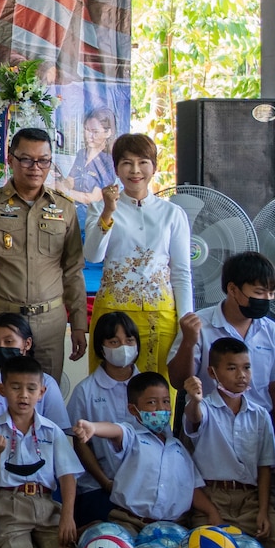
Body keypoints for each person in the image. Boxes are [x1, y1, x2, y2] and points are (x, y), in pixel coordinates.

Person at [0, 128, 89, 377]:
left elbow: (73, 270)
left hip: (50, 321)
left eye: (44, 161)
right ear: (11, 159)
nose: (35, 167)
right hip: (3, 319)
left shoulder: (64, 207)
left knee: (45, 396)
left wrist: (79, 324)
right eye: (26, 159)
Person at [182, 339, 275, 548]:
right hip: (213, 498)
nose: (241, 375)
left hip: (251, 500)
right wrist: (194, 400)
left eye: (246, 367)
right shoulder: (204, 407)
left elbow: (265, 467)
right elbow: (194, 418)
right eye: (232, 368)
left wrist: (264, 510)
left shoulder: (260, 415)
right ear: (212, 372)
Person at [82, 133, 191, 373]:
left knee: (157, 393)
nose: (135, 170)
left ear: (154, 166)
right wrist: (109, 212)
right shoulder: (99, 207)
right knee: (108, 389)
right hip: (112, 313)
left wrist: (186, 321)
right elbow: (93, 255)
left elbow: (181, 272)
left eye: (143, 162)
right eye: (126, 163)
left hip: (160, 315)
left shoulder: (172, 214)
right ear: (117, 169)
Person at [168, 251, 275, 429]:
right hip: (209, 426)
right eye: (259, 292)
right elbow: (178, 381)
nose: (266, 299)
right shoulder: (199, 325)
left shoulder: (271, 331)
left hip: (258, 427)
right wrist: (188, 343)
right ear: (233, 289)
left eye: (271, 294)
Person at [0, 356, 81, 548]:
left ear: (41, 392)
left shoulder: (52, 431)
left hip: (45, 504)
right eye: (15, 387)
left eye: (31, 388)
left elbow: (67, 476)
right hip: (9, 505)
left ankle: (36, 544)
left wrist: (67, 516)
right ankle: (15, 544)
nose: (23, 395)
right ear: (1, 389)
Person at [79, 373, 218, 532]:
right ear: (133, 409)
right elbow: (116, 431)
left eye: (166, 402)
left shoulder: (179, 449)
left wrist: (212, 512)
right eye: (152, 402)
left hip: (172, 528)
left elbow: (192, 488)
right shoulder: (133, 438)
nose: (161, 408)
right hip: (130, 522)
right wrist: (94, 428)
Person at [67, 311, 142, 502]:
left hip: (144, 486)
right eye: (114, 342)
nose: (123, 348)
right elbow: (80, 444)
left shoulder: (148, 388)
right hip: (97, 487)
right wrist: (106, 483)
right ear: (101, 347)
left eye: (129, 340)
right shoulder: (85, 391)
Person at [64, 105, 119, 208]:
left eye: (95, 132)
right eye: (87, 130)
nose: (89, 136)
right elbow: (70, 181)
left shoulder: (109, 161)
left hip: (93, 215)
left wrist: (66, 191)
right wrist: (59, 181)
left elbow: (93, 198)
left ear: (108, 133)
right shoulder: (81, 154)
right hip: (72, 209)